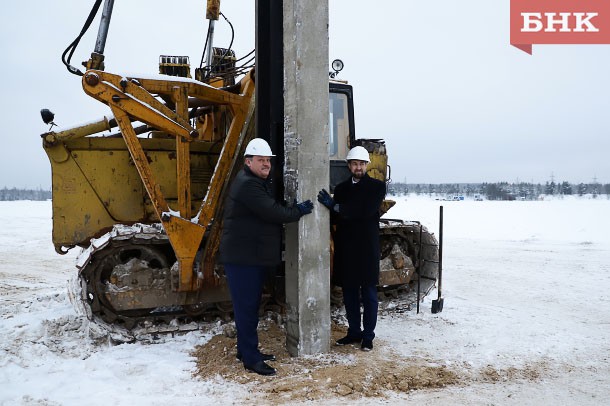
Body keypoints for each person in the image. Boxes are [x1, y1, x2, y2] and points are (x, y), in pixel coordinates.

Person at [219, 138, 314, 376]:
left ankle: (246, 350)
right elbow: (272, 212)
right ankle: (251, 360)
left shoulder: (253, 182)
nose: (266, 164)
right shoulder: (249, 185)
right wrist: (298, 211)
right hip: (243, 259)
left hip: (248, 257)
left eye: (268, 161)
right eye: (260, 160)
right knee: (247, 308)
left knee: (248, 309)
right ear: (248, 162)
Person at [317, 146, 386, 351]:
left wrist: (336, 207)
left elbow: (364, 211)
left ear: (366, 165)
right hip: (346, 248)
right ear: (349, 166)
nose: (358, 167)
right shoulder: (341, 189)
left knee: (369, 294)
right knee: (349, 294)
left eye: (362, 164)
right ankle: (354, 332)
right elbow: (339, 217)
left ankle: (368, 336)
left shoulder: (376, 187)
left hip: (366, 248)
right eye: (355, 164)